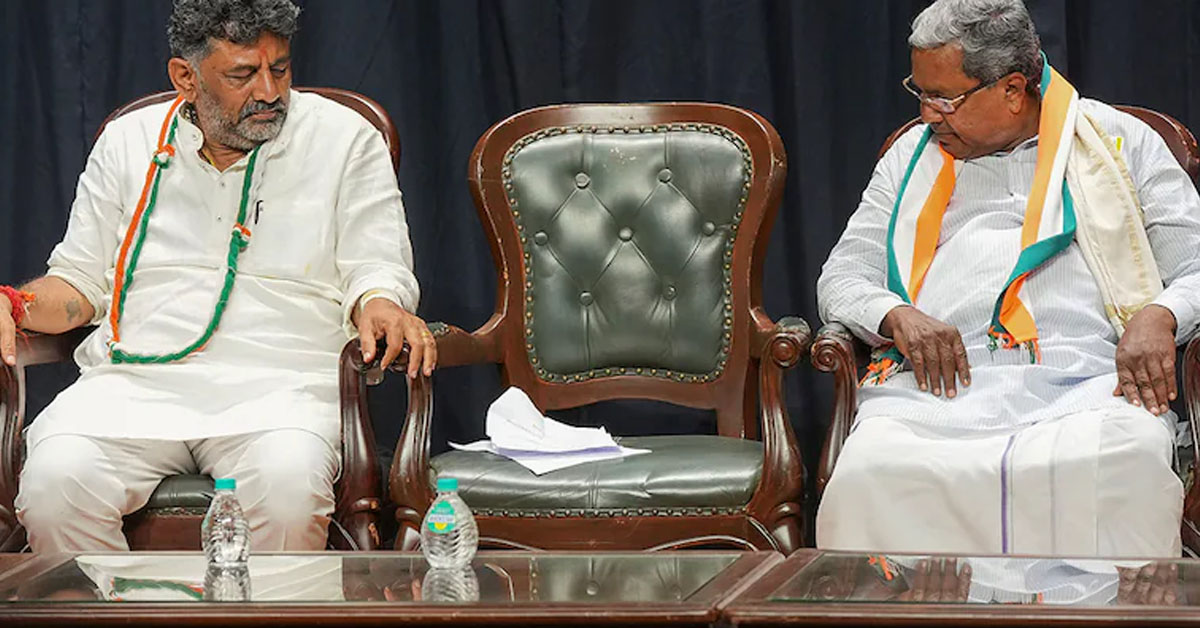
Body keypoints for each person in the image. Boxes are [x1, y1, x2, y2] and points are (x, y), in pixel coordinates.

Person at [2, 0, 436, 552]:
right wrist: (13, 304)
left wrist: (380, 302)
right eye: (242, 74)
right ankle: (116, 601)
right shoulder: (127, 141)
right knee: (54, 484)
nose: (269, 91)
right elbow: (79, 282)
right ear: (185, 76)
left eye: (280, 68)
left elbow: (377, 266)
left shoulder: (345, 137)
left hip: (283, 390)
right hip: (132, 388)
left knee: (287, 488)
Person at [816, 0, 1200, 557]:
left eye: (944, 98)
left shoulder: (1119, 141)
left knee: (1130, 461)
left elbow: (1194, 266)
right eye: (920, 93)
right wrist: (896, 316)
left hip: (1089, 386)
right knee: (867, 472)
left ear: (1013, 89)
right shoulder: (909, 159)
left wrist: (1160, 315)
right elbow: (843, 276)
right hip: (937, 391)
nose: (927, 115)